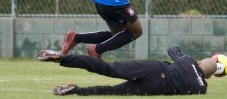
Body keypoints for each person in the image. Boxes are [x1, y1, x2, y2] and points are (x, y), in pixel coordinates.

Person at [37, 46, 217, 96]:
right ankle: (75, 91)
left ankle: (62, 58)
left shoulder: (188, 62)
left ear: (200, 63)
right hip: (157, 88)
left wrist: (185, 56)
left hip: (155, 69)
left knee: (108, 68)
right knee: (113, 91)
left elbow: (173, 49)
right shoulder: (202, 88)